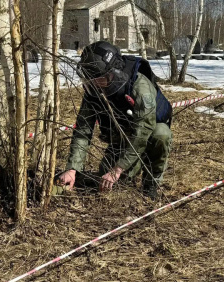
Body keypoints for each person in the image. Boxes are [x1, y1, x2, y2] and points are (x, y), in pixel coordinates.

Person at [55, 41, 173, 199]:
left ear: (113, 72)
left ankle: (150, 184)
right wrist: (72, 169)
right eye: (90, 80)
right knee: (108, 180)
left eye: (99, 79)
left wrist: (118, 169)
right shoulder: (93, 91)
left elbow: (141, 135)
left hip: (146, 136)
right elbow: (83, 130)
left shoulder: (140, 88)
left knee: (162, 133)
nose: (94, 85)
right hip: (120, 141)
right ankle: (129, 168)